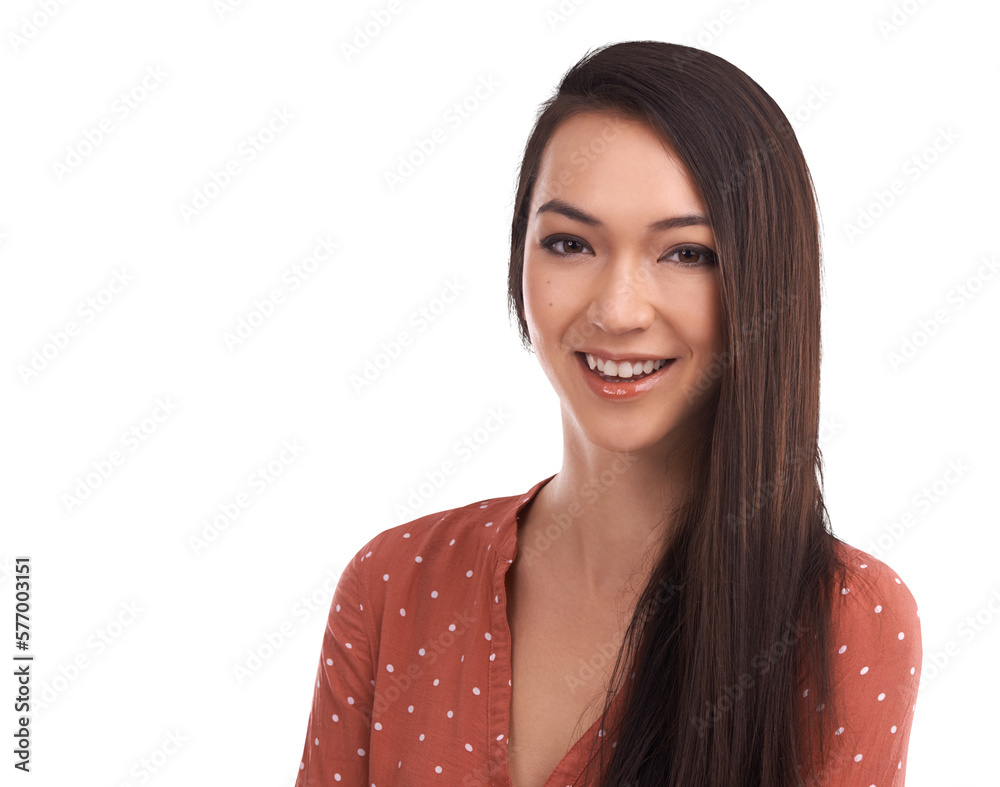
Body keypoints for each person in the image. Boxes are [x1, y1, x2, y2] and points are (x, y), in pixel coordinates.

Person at [293, 40, 921, 787]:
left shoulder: (847, 620)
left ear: (764, 279)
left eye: (686, 254)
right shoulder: (395, 583)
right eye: (570, 243)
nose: (618, 310)